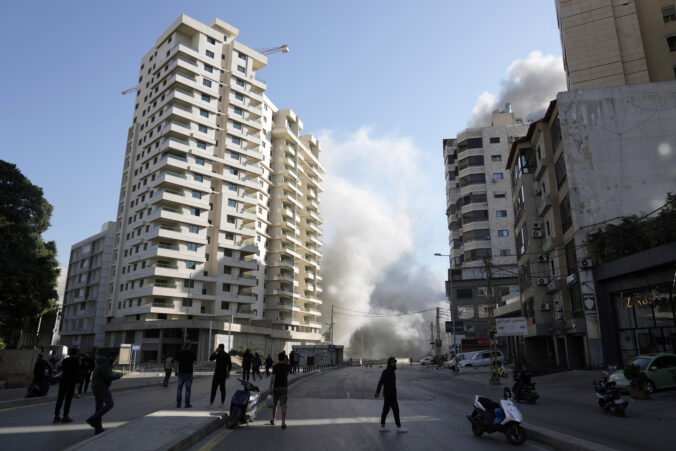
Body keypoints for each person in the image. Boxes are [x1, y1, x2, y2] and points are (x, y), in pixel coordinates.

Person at [86, 350, 122, 434]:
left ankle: (98, 428)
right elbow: (108, 376)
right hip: (101, 387)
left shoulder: (101, 363)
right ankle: (92, 419)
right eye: (115, 358)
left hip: (96, 387)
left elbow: (106, 373)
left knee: (99, 408)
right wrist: (118, 376)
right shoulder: (105, 363)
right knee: (110, 404)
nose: (115, 360)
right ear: (111, 357)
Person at [374, 357, 407, 433]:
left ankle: (382, 426)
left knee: (385, 410)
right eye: (393, 362)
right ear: (389, 363)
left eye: (395, 362)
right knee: (396, 410)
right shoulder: (386, 372)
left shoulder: (392, 371)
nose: (394, 363)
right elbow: (380, 382)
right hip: (390, 395)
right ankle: (399, 427)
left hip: (389, 395)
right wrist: (377, 392)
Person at [54, 348, 80, 423]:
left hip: (63, 381)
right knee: (68, 400)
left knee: (60, 398)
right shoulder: (76, 361)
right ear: (75, 354)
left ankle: (56, 415)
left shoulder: (65, 360)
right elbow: (77, 372)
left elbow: (60, 368)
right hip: (71, 382)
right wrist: (78, 382)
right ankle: (65, 416)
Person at [269, 352, 291, 429]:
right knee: (283, 405)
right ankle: (283, 422)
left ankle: (274, 420)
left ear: (278, 358)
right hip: (284, 387)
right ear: (284, 358)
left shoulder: (275, 367)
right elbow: (287, 376)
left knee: (275, 405)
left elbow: (272, 379)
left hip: (276, 387)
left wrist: (270, 388)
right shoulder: (288, 367)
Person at [208, 344, 231, 409]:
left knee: (214, 389)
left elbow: (210, 359)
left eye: (218, 347)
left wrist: (215, 351)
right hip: (223, 374)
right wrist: (228, 373)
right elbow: (229, 365)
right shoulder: (227, 355)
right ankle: (222, 404)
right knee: (222, 389)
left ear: (219, 348)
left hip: (217, 374)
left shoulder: (217, 354)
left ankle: (211, 404)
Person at [175, 342, 196, 408]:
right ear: (189, 346)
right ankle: (187, 404)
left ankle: (178, 404)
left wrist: (176, 371)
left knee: (179, 389)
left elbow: (176, 363)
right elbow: (195, 362)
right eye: (190, 346)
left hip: (181, 373)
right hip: (189, 373)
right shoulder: (191, 353)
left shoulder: (179, 353)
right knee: (188, 389)